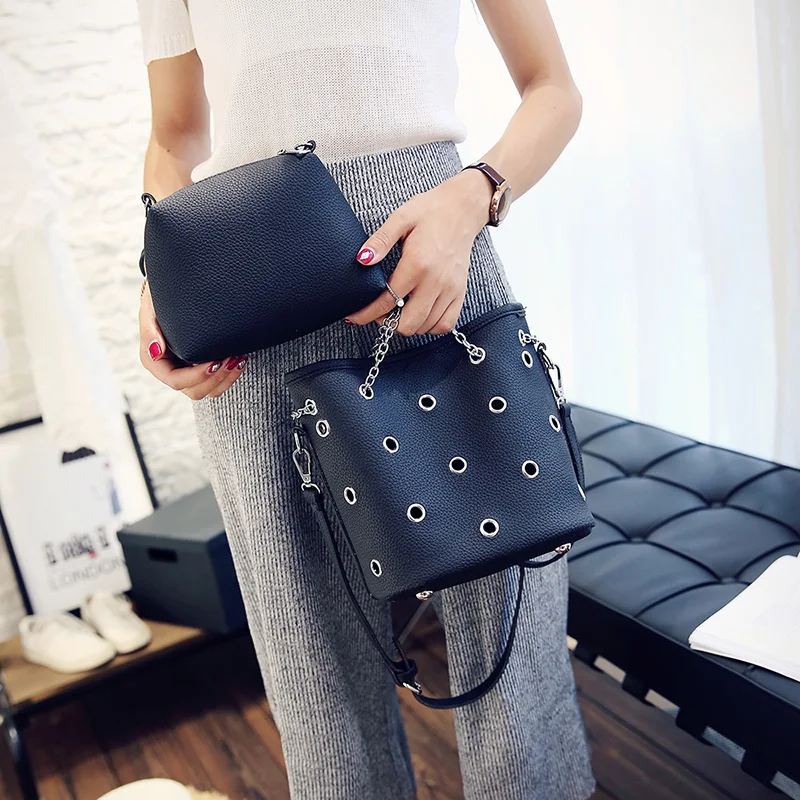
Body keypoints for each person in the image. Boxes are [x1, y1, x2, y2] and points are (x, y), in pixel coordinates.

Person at [134, 1, 594, 797]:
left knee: (511, 653)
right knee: (311, 673)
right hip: (245, 274)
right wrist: (158, 275)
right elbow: (175, 137)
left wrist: (475, 194)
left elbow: (553, 87)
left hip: (431, 244)